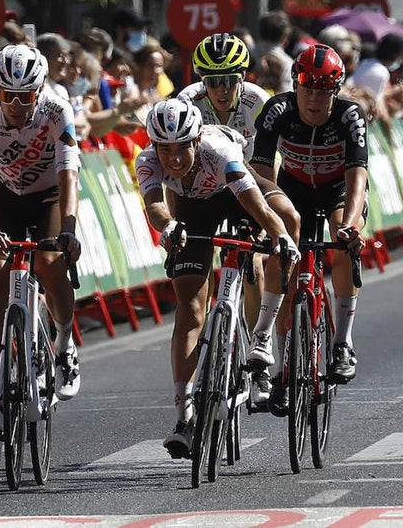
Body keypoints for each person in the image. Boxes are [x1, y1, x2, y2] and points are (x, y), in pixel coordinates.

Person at [135, 98, 299, 459]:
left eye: (182, 148)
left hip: (235, 197)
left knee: (286, 221)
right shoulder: (147, 160)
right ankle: (184, 416)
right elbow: (155, 206)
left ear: (196, 140)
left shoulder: (218, 151)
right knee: (190, 311)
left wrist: (280, 237)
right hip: (192, 209)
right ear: (154, 146)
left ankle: (261, 338)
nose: (174, 158)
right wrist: (169, 227)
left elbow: (257, 204)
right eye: (165, 150)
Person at [176, 33, 300, 408]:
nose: (222, 89)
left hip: (247, 180)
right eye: (213, 81)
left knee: (263, 255)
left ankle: (261, 339)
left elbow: (268, 167)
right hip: (200, 189)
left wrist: (266, 224)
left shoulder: (258, 102)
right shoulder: (187, 102)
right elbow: (173, 168)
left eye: (230, 80)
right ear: (202, 80)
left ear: (243, 77)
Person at [0, 44, 83, 438]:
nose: (15, 105)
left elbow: (69, 177)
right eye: (7, 95)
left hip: (49, 195)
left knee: (49, 263)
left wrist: (68, 231)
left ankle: (64, 343)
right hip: (4, 197)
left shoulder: (57, 111)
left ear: (40, 91)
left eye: (25, 96)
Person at [248, 44, 369, 397]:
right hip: (291, 189)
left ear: (336, 90)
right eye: (307, 89)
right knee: (282, 252)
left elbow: (357, 177)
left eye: (324, 90)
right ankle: (276, 356)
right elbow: (259, 171)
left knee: (343, 241)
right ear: (295, 86)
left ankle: (343, 343)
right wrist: (266, 218)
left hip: (337, 191)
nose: (314, 99)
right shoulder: (277, 110)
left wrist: (351, 226)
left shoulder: (350, 115)